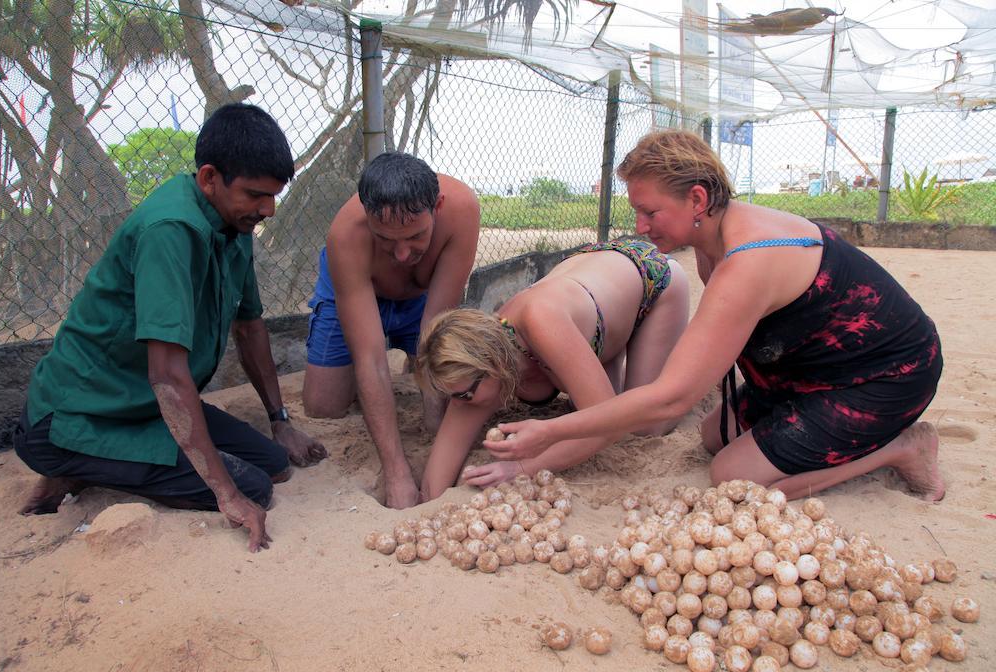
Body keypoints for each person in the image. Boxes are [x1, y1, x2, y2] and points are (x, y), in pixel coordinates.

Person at [484, 130, 944, 502]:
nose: (641, 227)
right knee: (712, 436)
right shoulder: (713, 240)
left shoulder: (749, 260)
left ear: (698, 199)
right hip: (805, 368)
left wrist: (549, 432)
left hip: (883, 376)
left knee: (732, 475)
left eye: (650, 212)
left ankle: (898, 449)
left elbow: (670, 399)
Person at [13, 104, 327, 553]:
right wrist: (226, 494)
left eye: (274, 195)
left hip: (141, 410)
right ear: (208, 178)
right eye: (256, 194)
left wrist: (280, 423)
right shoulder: (171, 230)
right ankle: (73, 463)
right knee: (251, 489)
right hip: (77, 417)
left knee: (274, 463)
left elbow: (250, 326)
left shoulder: (233, 226)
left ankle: (97, 465)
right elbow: (167, 375)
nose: (269, 210)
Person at [414, 235, 690, 501]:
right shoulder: (477, 372)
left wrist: (521, 469)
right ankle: (610, 347)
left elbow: (609, 427)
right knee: (598, 399)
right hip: (595, 288)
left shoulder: (541, 321)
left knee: (643, 426)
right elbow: (443, 460)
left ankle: (678, 366)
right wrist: (429, 506)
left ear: (493, 365)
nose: (459, 404)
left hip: (649, 276)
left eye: (463, 395)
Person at [302, 152, 480, 509]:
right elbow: (370, 357)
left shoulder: (462, 210)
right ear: (368, 218)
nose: (401, 254)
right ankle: (365, 382)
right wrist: (396, 471)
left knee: (437, 406)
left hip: (421, 299)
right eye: (385, 239)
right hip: (358, 292)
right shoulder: (345, 234)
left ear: (438, 206)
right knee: (323, 405)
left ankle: (409, 364)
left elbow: (436, 327)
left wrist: (434, 422)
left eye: (415, 237)